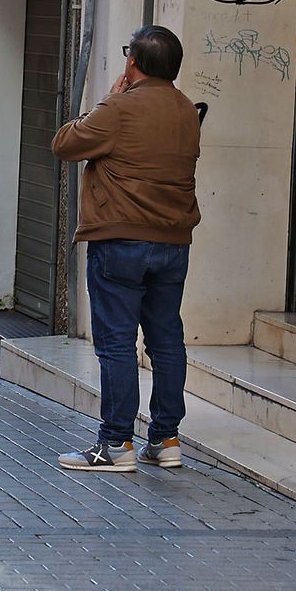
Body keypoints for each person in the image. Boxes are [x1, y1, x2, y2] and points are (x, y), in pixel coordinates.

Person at [52, 25, 202, 473]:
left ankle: (116, 444)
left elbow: (65, 143)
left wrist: (108, 99)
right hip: (172, 242)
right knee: (166, 340)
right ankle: (166, 439)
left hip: (119, 240)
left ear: (132, 62)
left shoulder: (118, 108)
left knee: (117, 342)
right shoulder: (186, 110)